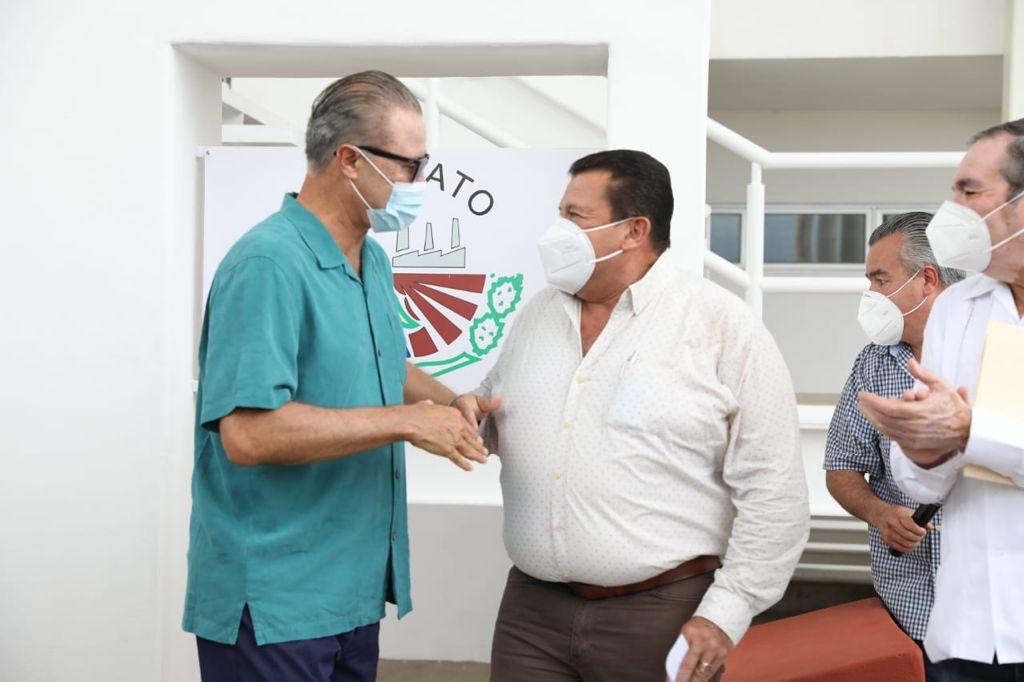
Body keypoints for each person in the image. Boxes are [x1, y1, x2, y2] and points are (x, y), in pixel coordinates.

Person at [182, 71, 499, 682]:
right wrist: (407, 423)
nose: (419, 184)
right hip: (275, 601)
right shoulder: (268, 264)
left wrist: (452, 400)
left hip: (351, 592)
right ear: (350, 160)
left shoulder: (370, 258)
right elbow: (248, 434)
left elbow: (380, 361)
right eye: (411, 166)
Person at [477, 150, 809, 682]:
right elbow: (494, 409)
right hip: (531, 613)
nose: (557, 231)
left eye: (575, 216)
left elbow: (773, 488)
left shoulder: (720, 324)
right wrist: (470, 416)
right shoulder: (537, 314)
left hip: (663, 614)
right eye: (561, 213)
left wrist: (727, 612)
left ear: (634, 231)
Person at [859, 119, 1024, 680]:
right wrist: (922, 445)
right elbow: (921, 486)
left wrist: (968, 430)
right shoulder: (958, 308)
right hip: (967, 633)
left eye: (969, 191)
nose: (952, 210)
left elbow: (967, 432)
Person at [824, 212, 963, 679]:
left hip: (993, 614)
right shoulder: (873, 364)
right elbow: (840, 467)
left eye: (880, 280)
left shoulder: (1001, 351)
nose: (870, 295)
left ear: (927, 280)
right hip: (909, 607)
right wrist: (879, 513)